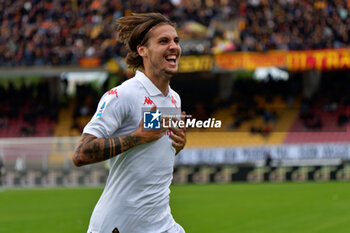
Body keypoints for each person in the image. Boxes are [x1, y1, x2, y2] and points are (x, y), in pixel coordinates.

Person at [73, 12, 186, 233]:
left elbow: (151, 147)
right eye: (163, 41)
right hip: (118, 225)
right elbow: (81, 153)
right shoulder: (123, 95)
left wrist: (177, 145)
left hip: (161, 223)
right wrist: (138, 136)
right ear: (142, 51)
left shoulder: (174, 98)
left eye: (176, 40)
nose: (174, 46)